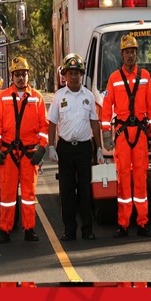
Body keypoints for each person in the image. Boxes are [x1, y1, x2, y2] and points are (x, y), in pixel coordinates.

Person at [101, 34, 151, 238]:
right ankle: (123, 224)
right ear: (122, 54)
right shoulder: (114, 79)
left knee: (141, 178)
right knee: (124, 177)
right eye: (127, 52)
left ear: (137, 54)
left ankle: (142, 223)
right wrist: (106, 134)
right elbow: (107, 108)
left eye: (133, 51)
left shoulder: (145, 76)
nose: (130, 55)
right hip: (123, 134)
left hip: (141, 134)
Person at [0, 56, 48, 243]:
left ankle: (29, 229)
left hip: (29, 154)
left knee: (29, 195)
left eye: (23, 74)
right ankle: (5, 230)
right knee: (7, 195)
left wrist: (41, 149)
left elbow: (44, 127)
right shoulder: (3, 97)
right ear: (12, 76)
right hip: (8, 153)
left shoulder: (37, 98)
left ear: (28, 75)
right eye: (17, 74)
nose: (20, 78)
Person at [48, 53, 103, 241]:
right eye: (70, 73)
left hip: (84, 148)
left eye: (77, 73)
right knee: (67, 191)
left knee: (86, 191)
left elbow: (95, 123)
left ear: (81, 74)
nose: (73, 76)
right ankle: (69, 230)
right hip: (65, 149)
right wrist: (50, 146)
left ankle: (87, 229)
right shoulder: (58, 97)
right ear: (64, 75)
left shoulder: (88, 96)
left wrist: (99, 148)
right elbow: (52, 123)